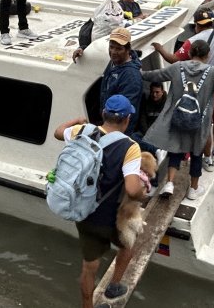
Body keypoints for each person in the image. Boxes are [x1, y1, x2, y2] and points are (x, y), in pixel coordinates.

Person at [53, 96, 148, 308]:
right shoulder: (129, 147)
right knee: (128, 244)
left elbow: (58, 132)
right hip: (112, 218)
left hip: (84, 213)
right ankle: (114, 286)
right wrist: (144, 192)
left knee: (89, 268)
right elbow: (132, 189)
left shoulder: (83, 131)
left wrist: (76, 120)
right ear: (127, 119)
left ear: (103, 114)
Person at [141, 40, 214, 200]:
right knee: (196, 153)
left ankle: (169, 183)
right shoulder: (212, 72)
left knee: (175, 148)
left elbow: (155, 75)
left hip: (177, 118)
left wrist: (138, 70)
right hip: (199, 123)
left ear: (190, 53)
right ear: (208, 55)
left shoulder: (178, 67)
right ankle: (193, 189)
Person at [152, 8, 214, 167]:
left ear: (196, 25)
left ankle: (206, 159)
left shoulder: (193, 40)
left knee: (205, 126)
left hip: (204, 90)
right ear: (212, 22)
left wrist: (159, 48)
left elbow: (173, 59)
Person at [99, 28, 144, 141]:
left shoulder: (131, 76)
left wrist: (114, 136)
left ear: (128, 49)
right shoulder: (115, 62)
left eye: (118, 48)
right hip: (107, 123)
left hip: (118, 131)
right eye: (111, 47)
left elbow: (127, 113)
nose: (113, 52)